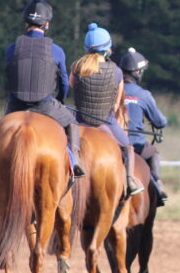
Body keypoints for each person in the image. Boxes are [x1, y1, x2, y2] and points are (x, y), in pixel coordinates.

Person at [4, 0, 85, 177]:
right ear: (46, 24)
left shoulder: (11, 48)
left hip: (16, 104)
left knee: (0, 130)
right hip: (45, 104)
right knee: (72, 124)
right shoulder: (56, 51)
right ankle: (76, 162)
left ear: (26, 23)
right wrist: (60, 101)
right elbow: (64, 82)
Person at [70, 23, 144, 197]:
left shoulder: (77, 68)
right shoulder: (117, 72)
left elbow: (72, 88)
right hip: (106, 122)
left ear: (87, 48)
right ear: (108, 48)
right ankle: (130, 180)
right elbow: (117, 104)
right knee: (128, 147)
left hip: (79, 120)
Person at [120, 47, 169, 207]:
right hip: (137, 145)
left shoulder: (115, 89)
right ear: (138, 73)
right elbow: (160, 122)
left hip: (116, 141)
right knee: (153, 154)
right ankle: (158, 184)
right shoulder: (143, 94)